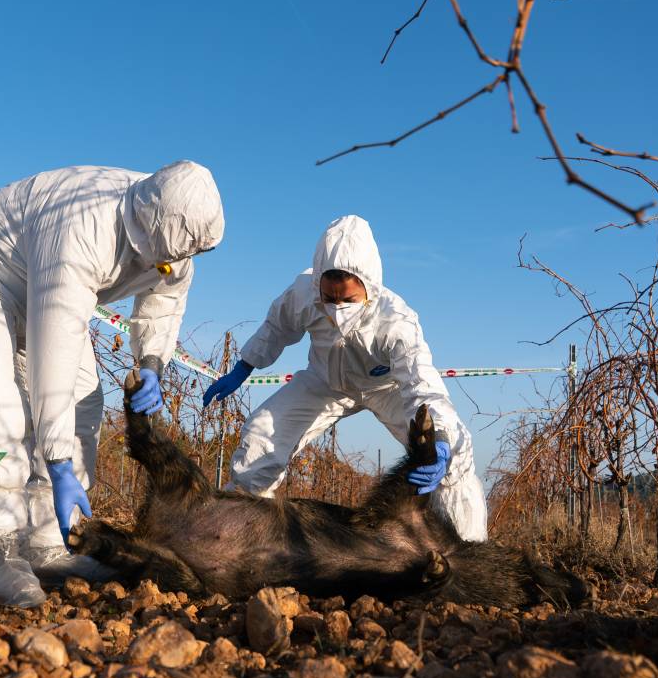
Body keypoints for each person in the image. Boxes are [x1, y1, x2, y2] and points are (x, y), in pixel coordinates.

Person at [0, 161, 225, 606]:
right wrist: (58, 461)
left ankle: (47, 542)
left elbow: (165, 300)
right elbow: (56, 356)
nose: (168, 264)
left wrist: (151, 363)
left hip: (40, 278)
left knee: (85, 403)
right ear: (143, 224)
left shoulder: (179, 239)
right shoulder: (83, 226)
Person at [203, 215, 487, 542]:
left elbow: (420, 384)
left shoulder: (396, 321)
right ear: (318, 286)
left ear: (369, 286)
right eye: (329, 298)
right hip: (324, 383)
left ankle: (469, 552)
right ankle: (236, 536)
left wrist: (440, 438)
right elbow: (277, 327)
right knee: (261, 434)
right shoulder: (302, 294)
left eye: (348, 300)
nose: (337, 308)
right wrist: (245, 366)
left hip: (386, 388)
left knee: (453, 459)